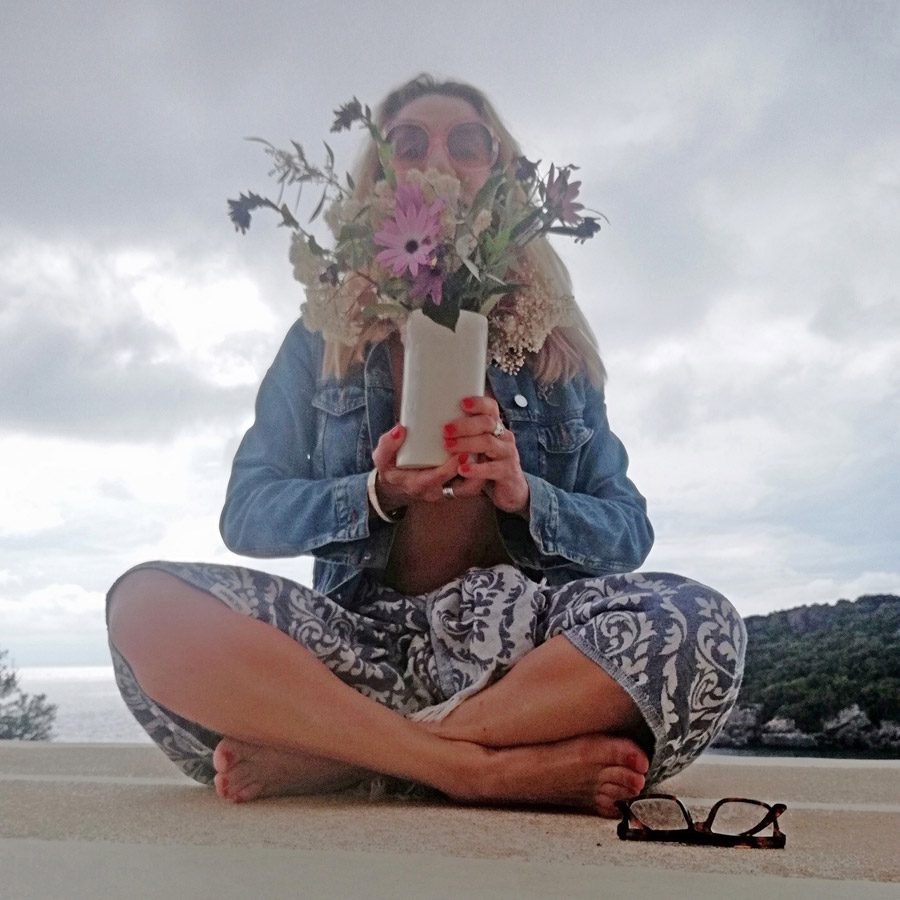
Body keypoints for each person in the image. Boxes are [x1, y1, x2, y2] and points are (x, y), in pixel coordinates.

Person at [106, 74, 746, 817]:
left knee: (707, 625)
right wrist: (375, 494)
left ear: (502, 175)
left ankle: (353, 755)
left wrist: (522, 492)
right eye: (410, 143)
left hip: (529, 659)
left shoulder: (551, 344)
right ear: (382, 179)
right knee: (143, 609)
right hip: (357, 645)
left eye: (466, 143)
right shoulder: (325, 336)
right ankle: (477, 770)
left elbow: (628, 528)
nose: (438, 158)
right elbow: (247, 512)